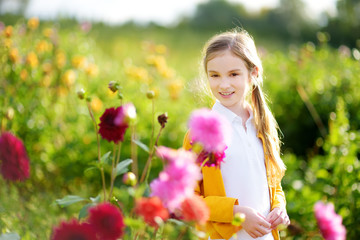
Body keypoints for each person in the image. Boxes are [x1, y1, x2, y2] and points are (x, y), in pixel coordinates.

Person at [183, 29, 290, 240]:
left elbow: (273, 185)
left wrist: (279, 207)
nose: (224, 84)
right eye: (214, 75)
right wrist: (237, 213)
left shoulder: (263, 127)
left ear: (253, 73)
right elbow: (189, 199)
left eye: (233, 74)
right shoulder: (200, 135)